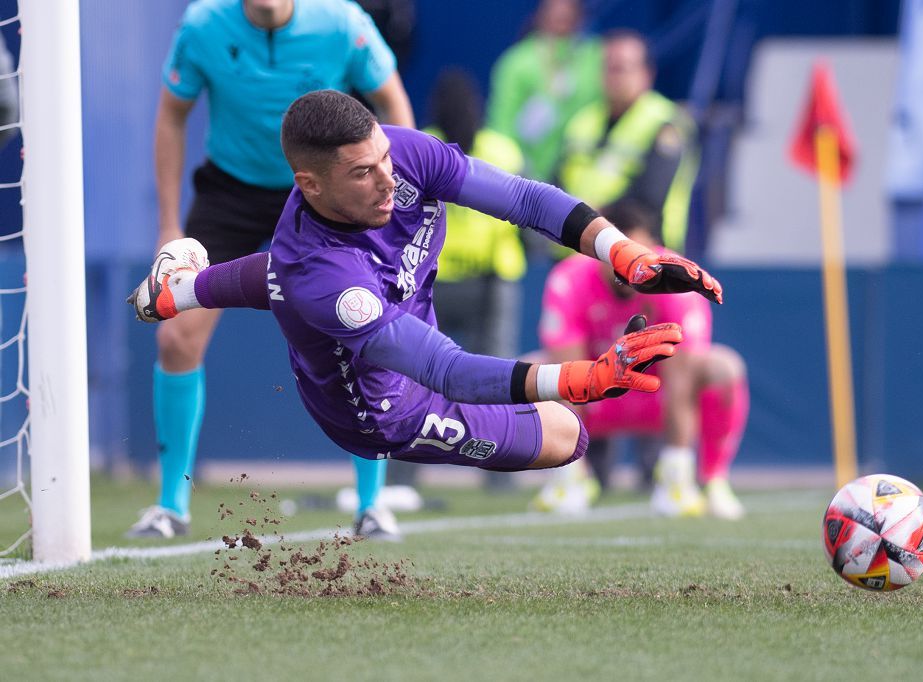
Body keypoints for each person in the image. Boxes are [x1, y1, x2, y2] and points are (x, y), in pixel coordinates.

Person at [127, 90, 724, 488]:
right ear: (309, 184)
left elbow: (524, 199)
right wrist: (583, 379)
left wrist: (626, 253)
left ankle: (180, 289)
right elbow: (449, 373)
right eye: (363, 173)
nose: (389, 180)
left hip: (388, 318)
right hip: (383, 405)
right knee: (569, 434)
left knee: (286, 278)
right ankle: (184, 289)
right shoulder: (324, 279)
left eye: (383, 158)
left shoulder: (399, 155)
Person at [128, 0, 415, 541]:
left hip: (325, 196)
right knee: (176, 340)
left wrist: (393, 203)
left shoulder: (343, 24)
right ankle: (170, 506)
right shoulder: (202, 26)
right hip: (230, 193)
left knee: (365, 330)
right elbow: (171, 115)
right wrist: (169, 223)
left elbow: (393, 104)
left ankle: (372, 506)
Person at [532, 201, 748, 519]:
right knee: (531, 372)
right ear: (599, 251)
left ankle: (700, 479)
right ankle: (569, 475)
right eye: (621, 252)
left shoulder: (675, 276)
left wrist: (677, 458)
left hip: (660, 395)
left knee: (725, 368)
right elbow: (566, 371)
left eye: (637, 250)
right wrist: (572, 460)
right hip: (596, 393)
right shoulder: (569, 279)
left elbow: (682, 376)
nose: (629, 265)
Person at [419, 68, 527, 491]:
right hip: (482, 279)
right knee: (499, 377)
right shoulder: (504, 150)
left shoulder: (420, 144)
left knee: (414, 376)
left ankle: (400, 478)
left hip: (437, 278)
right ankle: (503, 475)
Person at [556, 29, 698, 253]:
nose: (613, 76)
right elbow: (557, 178)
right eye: (608, 68)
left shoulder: (665, 123)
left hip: (643, 251)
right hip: (576, 250)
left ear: (646, 74)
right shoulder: (582, 121)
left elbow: (649, 198)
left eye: (621, 68)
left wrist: (588, 215)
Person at [487, 0, 602, 183]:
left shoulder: (595, 57)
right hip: (526, 174)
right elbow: (502, 123)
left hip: (580, 170)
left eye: (568, 9)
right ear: (540, 14)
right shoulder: (517, 62)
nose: (562, 14)